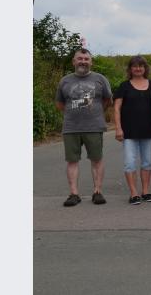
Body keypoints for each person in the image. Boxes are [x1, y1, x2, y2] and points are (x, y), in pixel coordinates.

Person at [55, 48, 113, 207]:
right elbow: (60, 104)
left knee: (97, 159)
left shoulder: (100, 79)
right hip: (71, 127)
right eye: (80, 59)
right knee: (72, 161)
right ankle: (74, 194)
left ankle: (97, 192)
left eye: (86, 59)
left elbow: (108, 100)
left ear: (91, 62)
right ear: (74, 61)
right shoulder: (65, 81)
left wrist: (94, 112)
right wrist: (75, 112)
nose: (83, 62)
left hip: (94, 126)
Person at [113, 56, 151, 205]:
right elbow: (117, 108)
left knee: (147, 162)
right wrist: (118, 128)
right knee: (130, 163)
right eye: (135, 66)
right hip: (129, 131)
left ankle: (145, 191)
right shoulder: (124, 86)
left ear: (145, 68)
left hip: (148, 130)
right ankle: (134, 193)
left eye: (141, 66)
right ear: (130, 69)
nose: (138, 69)